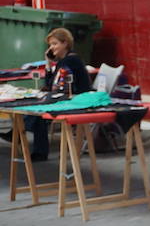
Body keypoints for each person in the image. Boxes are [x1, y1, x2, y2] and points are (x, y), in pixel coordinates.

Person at [0, 27, 91, 161]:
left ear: (65, 43)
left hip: (77, 98)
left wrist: (51, 71)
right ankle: (25, 139)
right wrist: (48, 64)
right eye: (50, 45)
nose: (51, 48)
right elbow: (51, 84)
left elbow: (53, 85)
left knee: (38, 110)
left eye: (55, 44)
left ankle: (20, 134)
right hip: (67, 94)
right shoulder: (64, 60)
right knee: (38, 110)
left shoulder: (69, 61)